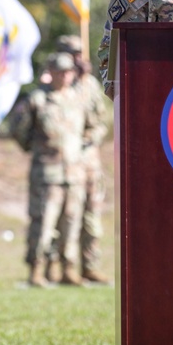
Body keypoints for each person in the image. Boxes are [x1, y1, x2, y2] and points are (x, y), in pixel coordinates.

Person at [9, 52, 87, 287]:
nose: (65, 76)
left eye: (68, 71)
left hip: (74, 174)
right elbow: (18, 128)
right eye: (60, 71)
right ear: (50, 72)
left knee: (71, 224)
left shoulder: (78, 98)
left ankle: (68, 269)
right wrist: (32, 147)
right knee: (43, 223)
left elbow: (94, 126)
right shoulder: (37, 99)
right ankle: (37, 269)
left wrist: (83, 147)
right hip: (47, 174)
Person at [45, 35, 110, 284]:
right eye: (70, 53)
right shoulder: (52, 85)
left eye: (78, 53)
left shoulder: (89, 85)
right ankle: (55, 265)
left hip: (88, 162)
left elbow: (100, 123)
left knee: (91, 215)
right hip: (61, 163)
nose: (75, 58)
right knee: (60, 216)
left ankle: (90, 264)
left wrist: (89, 138)